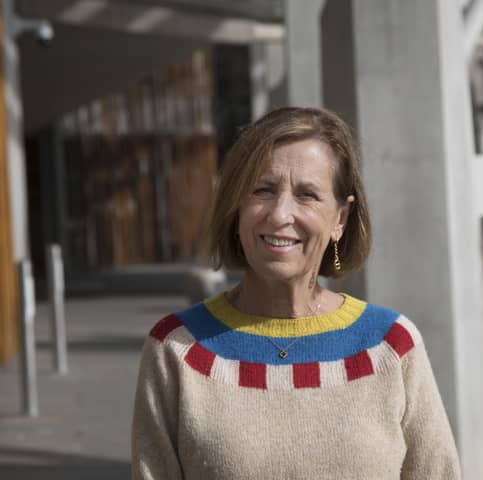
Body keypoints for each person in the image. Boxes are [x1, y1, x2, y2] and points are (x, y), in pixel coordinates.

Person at [131, 107, 461, 479]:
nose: (279, 214)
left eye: (307, 195)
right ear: (236, 206)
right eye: (263, 190)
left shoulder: (391, 346)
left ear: (340, 219)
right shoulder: (176, 349)